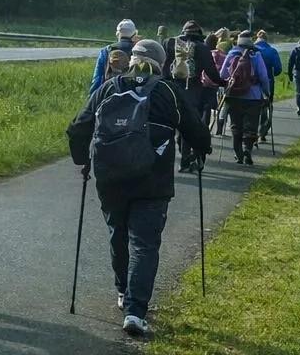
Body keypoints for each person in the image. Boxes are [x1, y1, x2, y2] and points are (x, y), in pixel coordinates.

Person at [67, 40, 211, 338]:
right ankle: (135, 311)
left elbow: (78, 128)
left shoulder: (108, 88)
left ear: (132, 60)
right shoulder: (167, 90)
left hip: (110, 179)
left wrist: (84, 161)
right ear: (161, 62)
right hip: (152, 180)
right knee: (144, 245)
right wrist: (199, 150)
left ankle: (122, 291)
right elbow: (196, 129)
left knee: (117, 233)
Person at [162, 21, 225, 172]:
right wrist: (224, 82)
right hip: (193, 92)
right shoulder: (202, 48)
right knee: (191, 126)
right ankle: (189, 159)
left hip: (172, 91)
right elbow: (211, 72)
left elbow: (163, 67)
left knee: (175, 126)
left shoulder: (169, 43)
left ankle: (180, 159)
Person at [220, 30, 271, 165]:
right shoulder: (256, 55)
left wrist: (228, 86)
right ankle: (247, 148)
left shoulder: (231, 54)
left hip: (234, 96)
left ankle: (238, 155)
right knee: (251, 126)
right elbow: (264, 77)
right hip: (253, 96)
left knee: (236, 125)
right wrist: (267, 92)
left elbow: (222, 74)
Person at [89, 19, 138, 95]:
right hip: (132, 94)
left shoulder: (106, 50)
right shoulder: (138, 51)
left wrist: (92, 98)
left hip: (108, 92)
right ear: (134, 34)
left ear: (117, 34)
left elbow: (97, 79)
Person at [253, 30, 282, 142]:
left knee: (253, 106)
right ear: (266, 39)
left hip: (252, 83)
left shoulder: (251, 50)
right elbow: (278, 69)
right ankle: (262, 132)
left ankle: (252, 131)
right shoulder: (272, 51)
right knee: (266, 107)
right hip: (268, 83)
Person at [200, 33, 223, 131]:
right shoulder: (221, 54)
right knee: (208, 107)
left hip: (202, 82)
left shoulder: (203, 52)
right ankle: (207, 128)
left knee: (201, 106)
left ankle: (200, 127)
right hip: (214, 84)